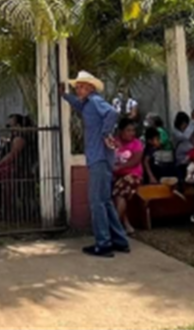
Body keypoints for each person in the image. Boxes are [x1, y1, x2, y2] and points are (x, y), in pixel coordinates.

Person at [62, 71, 129, 258]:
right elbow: (78, 104)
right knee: (105, 201)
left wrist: (106, 133)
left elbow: (112, 113)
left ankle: (103, 243)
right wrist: (64, 95)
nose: (78, 89)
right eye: (77, 87)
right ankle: (119, 240)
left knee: (96, 201)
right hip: (100, 157)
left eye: (82, 86)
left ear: (90, 88)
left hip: (99, 157)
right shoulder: (87, 104)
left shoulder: (94, 101)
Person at [112, 118, 144, 236]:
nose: (131, 133)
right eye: (128, 130)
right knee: (116, 194)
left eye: (133, 130)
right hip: (117, 176)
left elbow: (136, 160)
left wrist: (120, 167)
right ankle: (126, 225)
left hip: (133, 175)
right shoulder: (115, 142)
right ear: (121, 131)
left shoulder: (137, 143)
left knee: (119, 193)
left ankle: (114, 225)